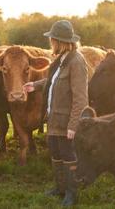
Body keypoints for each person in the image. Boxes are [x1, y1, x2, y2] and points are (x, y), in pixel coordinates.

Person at [23, 20, 88, 207]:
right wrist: (34, 85)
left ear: (59, 41)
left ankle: (71, 193)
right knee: (56, 153)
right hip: (54, 118)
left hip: (67, 121)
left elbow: (81, 98)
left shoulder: (77, 62)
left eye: (52, 39)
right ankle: (60, 188)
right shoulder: (60, 60)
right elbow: (53, 81)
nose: (50, 42)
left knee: (69, 156)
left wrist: (74, 124)